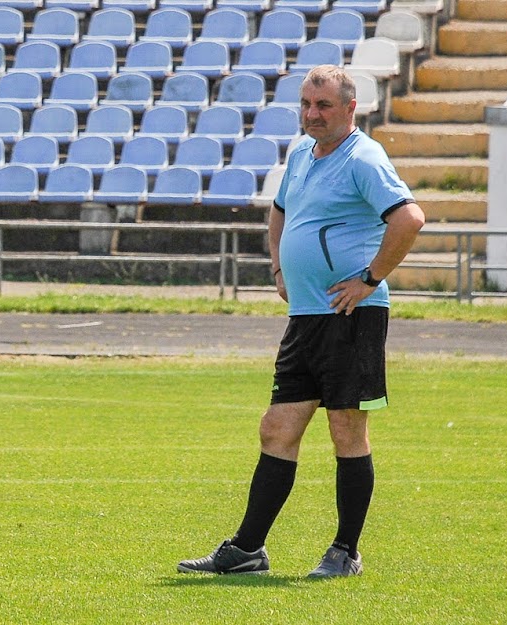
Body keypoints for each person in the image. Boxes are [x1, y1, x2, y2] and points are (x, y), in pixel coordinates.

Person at [178, 65, 425, 578]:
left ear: (350, 109)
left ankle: (344, 552)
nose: (312, 115)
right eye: (307, 105)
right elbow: (280, 212)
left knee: (346, 431)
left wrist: (369, 278)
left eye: (324, 106)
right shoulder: (300, 155)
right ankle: (247, 551)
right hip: (307, 317)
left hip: (351, 315)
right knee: (277, 429)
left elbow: (409, 218)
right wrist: (277, 266)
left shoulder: (364, 157)